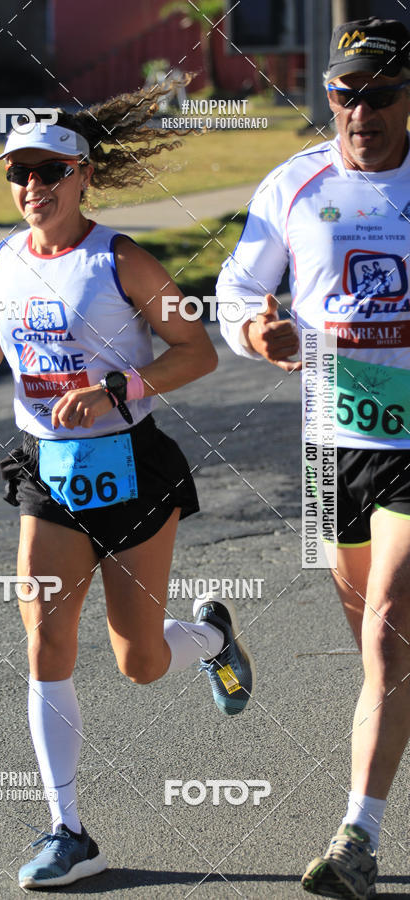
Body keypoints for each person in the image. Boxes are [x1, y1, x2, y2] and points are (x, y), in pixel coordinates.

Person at [0, 83, 254, 890]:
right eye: (19, 175)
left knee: (140, 663)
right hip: (46, 471)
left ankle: (212, 638)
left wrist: (118, 390)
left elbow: (198, 350)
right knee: (45, 638)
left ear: (82, 176)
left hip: (131, 470)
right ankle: (68, 829)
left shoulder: (121, 260)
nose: (31, 189)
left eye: (48, 173)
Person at [216, 16, 410, 900]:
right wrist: (258, 328)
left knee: (387, 636)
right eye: (344, 93)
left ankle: (356, 841)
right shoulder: (295, 182)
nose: (358, 110)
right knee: (377, 651)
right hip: (337, 440)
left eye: (379, 94)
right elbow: (236, 288)